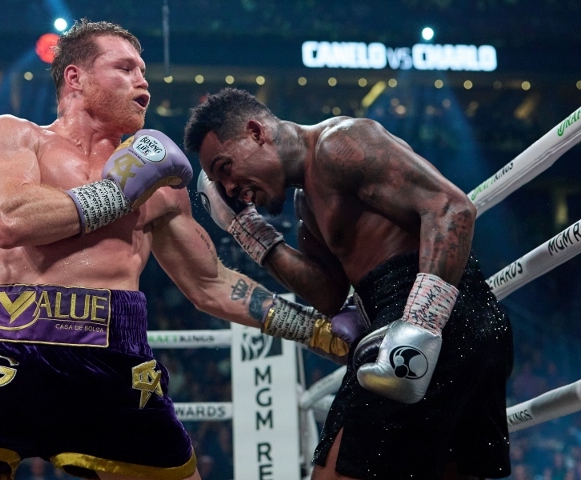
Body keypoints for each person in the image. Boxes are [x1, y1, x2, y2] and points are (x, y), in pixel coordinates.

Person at [0, 21, 365, 480]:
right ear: (75, 78)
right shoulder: (16, 136)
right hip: (5, 353)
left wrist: (315, 329)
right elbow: (10, 219)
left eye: (143, 71)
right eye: (125, 68)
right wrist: (119, 192)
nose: (142, 82)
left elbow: (210, 283)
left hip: (117, 367)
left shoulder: (161, 182)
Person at [185, 87, 514, 480]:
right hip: (440, 320)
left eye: (225, 168)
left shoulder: (339, 144)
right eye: (219, 183)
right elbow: (327, 293)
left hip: (433, 312)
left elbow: (452, 208)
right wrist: (250, 231)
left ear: (256, 132)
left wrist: (421, 321)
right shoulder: (306, 203)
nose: (228, 189)